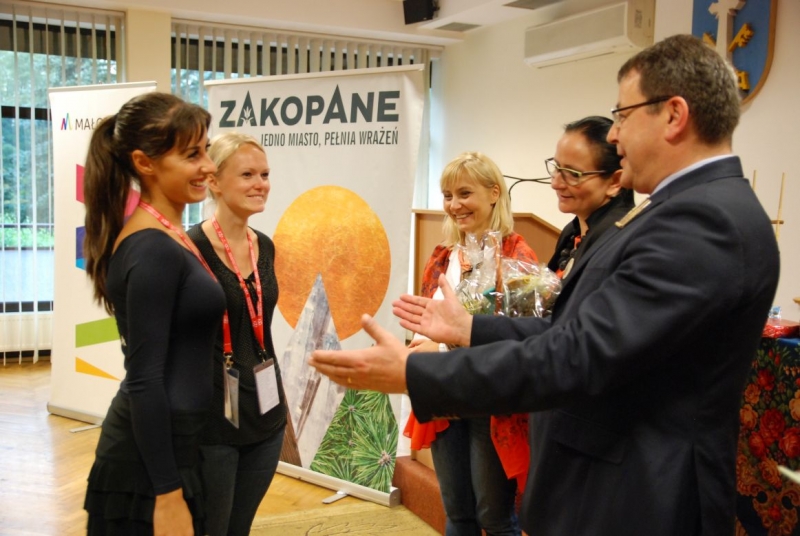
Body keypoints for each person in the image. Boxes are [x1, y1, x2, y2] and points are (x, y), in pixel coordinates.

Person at [309, 34, 781, 536]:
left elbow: (579, 355)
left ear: (673, 115)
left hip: (636, 498)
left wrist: (418, 373)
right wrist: (471, 329)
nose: (615, 135)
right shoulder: (682, 211)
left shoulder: (701, 221)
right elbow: (571, 329)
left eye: (622, 115)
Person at [82, 92, 226, 534]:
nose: (208, 166)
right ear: (145, 163)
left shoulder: (169, 234)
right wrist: (167, 493)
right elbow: (144, 377)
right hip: (150, 465)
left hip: (176, 445)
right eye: (192, 155)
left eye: (205, 150)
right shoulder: (152, 248)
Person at [404, 152, 536, 536]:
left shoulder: (518, 257)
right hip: (445, 393)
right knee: (457, 513)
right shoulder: (443, 255)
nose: (454, 205)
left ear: (494, 194)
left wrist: (443, 349)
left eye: (464, 193)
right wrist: (418, 345)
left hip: (490, 400)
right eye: (448, 195)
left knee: (494, 518)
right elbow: (428, 315)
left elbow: (520, 335)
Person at [186, 133, 287, 536]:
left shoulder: (265, 246)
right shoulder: (188, 248)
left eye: (265, 174)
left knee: (239, 528)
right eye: (247, 175)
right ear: (213, 181)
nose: (260, 184)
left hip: (266, 413)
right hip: (213, 420)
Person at [545, 116, 634, 277]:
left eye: (573, 174)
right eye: (557, 167)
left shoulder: (618, 240)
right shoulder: (572, 232)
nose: (555, 184)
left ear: (615, 181)